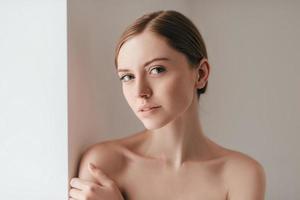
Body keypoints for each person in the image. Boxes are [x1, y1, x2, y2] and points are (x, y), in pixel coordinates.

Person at [69, 10, 266, 200]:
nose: (140, 92)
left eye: (156, 70)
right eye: (127, 77)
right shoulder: (103, 164)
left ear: (201, 74)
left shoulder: (241, 175)